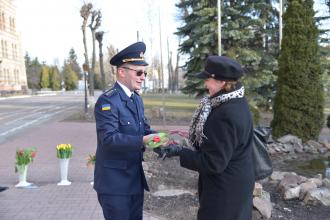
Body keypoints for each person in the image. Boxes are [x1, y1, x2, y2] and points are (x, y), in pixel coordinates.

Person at [155, 56, 255, 220]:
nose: (205, 84)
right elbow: (219, 142)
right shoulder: (236, 102)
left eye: (208, 79)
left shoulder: (225, 114)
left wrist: (180, 151)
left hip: (225, 193)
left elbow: (213, 163)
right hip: (237, 184)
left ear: (222, 82)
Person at [94, 42, 156, 220]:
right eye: (138, 72)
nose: (143, 77)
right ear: (122, 72)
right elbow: (108, 139)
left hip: (134, 181)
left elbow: (143, 128)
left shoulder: (136, 99)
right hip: (115, 185)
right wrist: (142, 141)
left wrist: (159, 139)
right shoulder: (108, 102)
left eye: (145, 72)